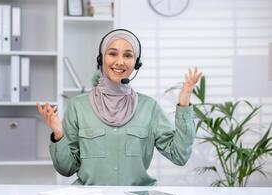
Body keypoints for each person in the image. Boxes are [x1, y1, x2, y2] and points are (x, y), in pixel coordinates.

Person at [37, 29, 202, 186]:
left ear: (136, 63)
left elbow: (179, 156)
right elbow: (67, 169)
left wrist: (184, 103)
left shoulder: (149, 107)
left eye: (128, 55)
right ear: (101, 59)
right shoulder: (78, 106)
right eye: (112, 53)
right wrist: (58, 135)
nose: (120, 61)